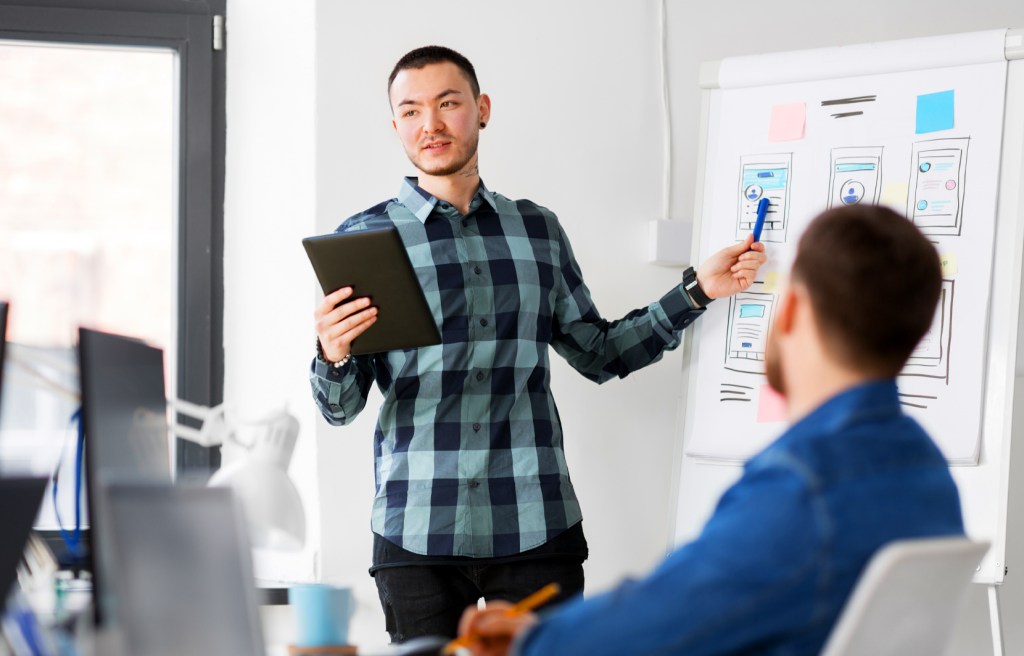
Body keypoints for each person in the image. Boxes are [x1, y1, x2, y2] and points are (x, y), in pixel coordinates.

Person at [309, 45, 767, 643]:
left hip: (535, 525)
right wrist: (333, 353)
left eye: (448, 103)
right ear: (394, 123)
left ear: (482, 109)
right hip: (415, 530)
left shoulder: (538, 230)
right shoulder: (364, 240)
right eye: (412, 110)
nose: (432, 125)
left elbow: (599, 353)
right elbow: (339, 409)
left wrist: (697, 291)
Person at [457, 204, 965, 656]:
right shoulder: (928, 471)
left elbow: (665, 617)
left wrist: (535, 639)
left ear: (789, 311)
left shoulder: (803, 484)